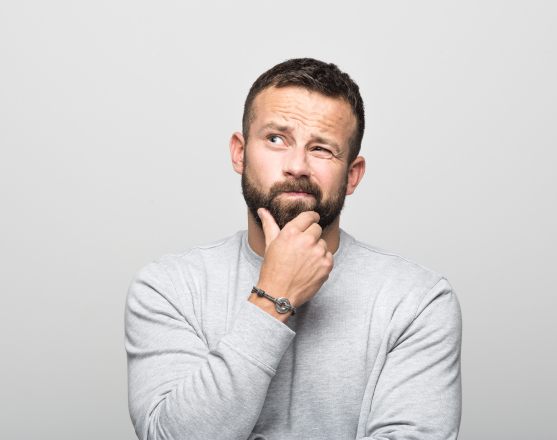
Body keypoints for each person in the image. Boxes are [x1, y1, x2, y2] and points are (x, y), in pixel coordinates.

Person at [125, 58, 462, 440]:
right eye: (276, 139)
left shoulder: (418, 300)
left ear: (352, 175)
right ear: (239, 153)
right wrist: (274, 296)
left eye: (321, 148)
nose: (297, 165)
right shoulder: (168, 288)